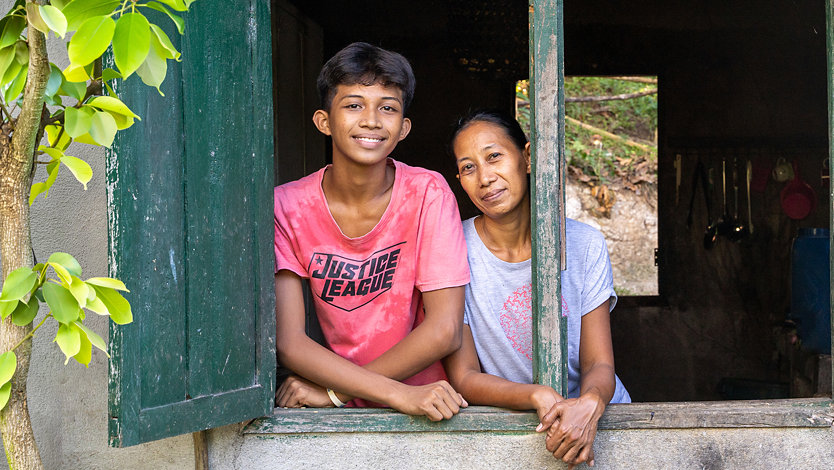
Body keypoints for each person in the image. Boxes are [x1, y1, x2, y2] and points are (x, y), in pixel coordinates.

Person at [273, 42, 470, 421]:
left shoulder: (427, 192)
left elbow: (446, 329)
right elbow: (290, 342)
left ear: (403, 128)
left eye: (388, 108)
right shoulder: (287, 206)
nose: (372, 120)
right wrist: (390, 393)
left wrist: (335, 393)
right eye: (353, 105)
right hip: (354, 410)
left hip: (432, 403)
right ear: (324, 121)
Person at [444, 110, 630, 467]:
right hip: (522, 426)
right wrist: (537, 395)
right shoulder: (454, 247)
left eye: (494, 156)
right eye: (468, 168)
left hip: (603, 422)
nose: (485, 178)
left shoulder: (584, 244)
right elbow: (464, 376)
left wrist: (591, 402)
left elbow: (599, 362)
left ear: (528, 158)